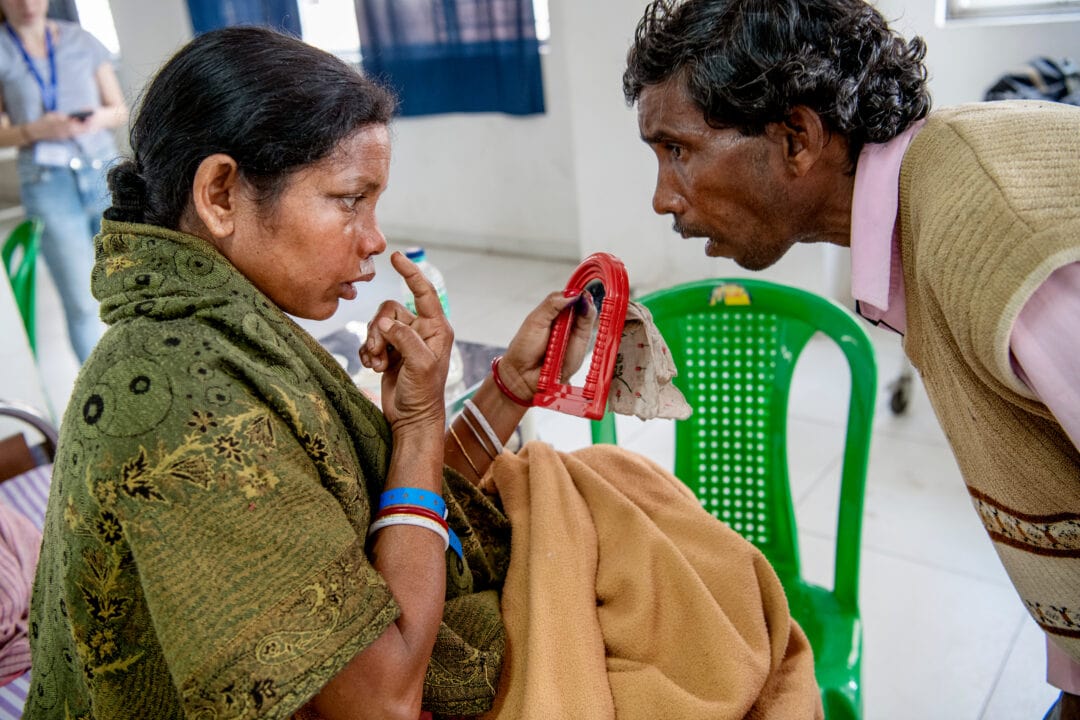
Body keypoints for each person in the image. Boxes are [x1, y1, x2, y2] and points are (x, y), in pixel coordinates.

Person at [26, 25, 821, 720]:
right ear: (222, 193)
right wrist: (412, 428)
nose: (374, 240)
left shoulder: (228, 333)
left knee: (641, 523)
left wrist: (507, 385)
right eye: (349, 200)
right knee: (701, 630)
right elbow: (383, 698)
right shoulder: (176, 402)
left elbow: (379, 525)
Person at [622, 0, 1080, 717]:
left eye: (677, 149)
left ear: (796, 137)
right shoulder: (929, 207)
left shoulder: (988, 232)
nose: (661, 197)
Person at [0, 0, 127, 362]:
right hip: (47, 180)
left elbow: (119, 109)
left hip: (101, 170)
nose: (27, 5)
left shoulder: (80, 39)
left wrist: (94, 119)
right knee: (81, 300)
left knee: (127, 279)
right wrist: (34, 130)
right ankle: (102, 394)